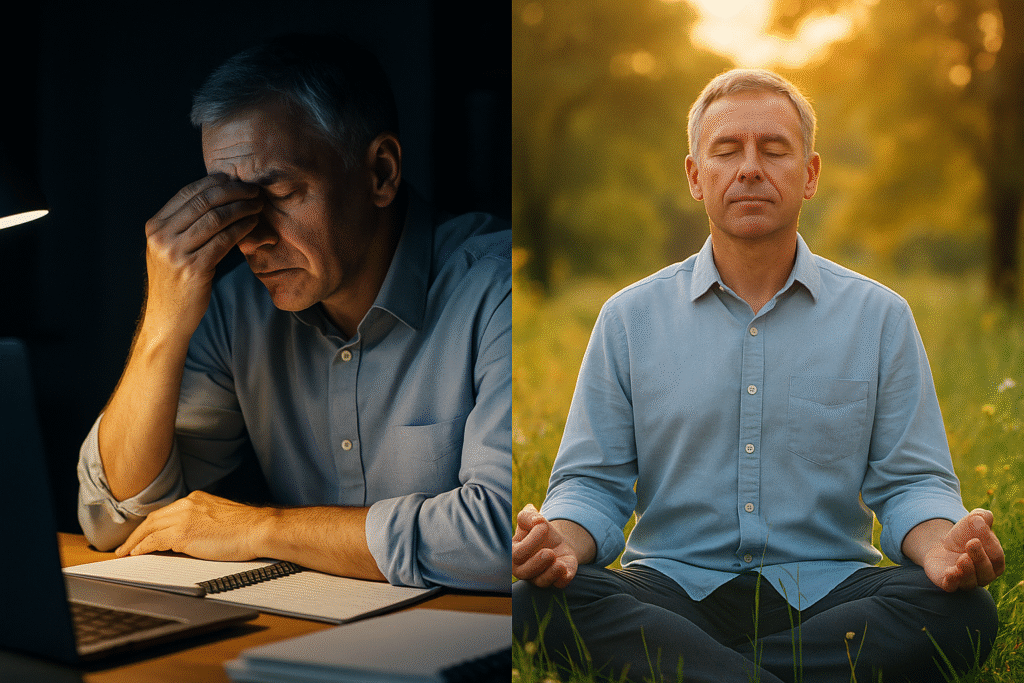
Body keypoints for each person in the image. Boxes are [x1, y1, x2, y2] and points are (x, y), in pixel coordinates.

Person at [512, 69, 1003, 681]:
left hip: (830, 592)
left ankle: (703, 674)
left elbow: (911, 485)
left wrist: (943, 550)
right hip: (669, 590)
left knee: (964, 612)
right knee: (538, 601)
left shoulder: (880, 317)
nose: (749, 168)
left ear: (810, 175)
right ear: (696, 176)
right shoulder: (628, 318)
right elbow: (593, 485)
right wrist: (559, 541)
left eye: (773, 150)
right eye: (726, 150)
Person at [77, 33, 511, 593]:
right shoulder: (236, 308)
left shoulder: (500, 290)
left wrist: (261, 528)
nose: (250, 239)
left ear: (380, 172)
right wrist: (163, 321)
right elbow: (119, 520)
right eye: (228, 204)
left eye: (277, 193)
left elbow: (505, 536)